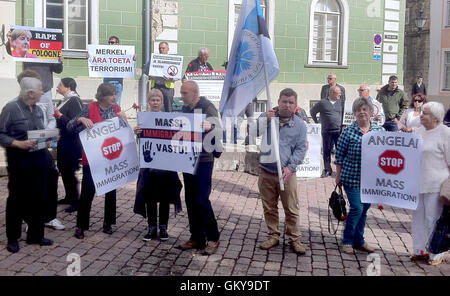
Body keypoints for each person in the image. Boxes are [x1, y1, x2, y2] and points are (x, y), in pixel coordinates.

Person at [0, 77, 54, 253]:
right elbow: (1, 134)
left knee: (38, 196)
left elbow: (39, 131)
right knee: (17, 198)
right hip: (19, 160)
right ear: (30, 93)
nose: (42, 92)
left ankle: (36, 235)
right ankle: (13, 238)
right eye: (40, 89)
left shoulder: (38, 109)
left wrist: (48, 139)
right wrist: (17, 143)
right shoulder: (11, 108)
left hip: (39, 158)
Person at [67, 83, 127, 239]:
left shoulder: (116, 109)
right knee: (88, 191)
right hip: (92, 158)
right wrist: (81, 119)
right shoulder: (90, 107)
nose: (114, 97)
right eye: (111, 94)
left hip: (110, 156)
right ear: (102, 96)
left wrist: (124, 120)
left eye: (115, 94)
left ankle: (108, 223)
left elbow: (124, 132)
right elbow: (69, 126)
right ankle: (81, 225)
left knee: (111, 190)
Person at [257, 88, 307, 254]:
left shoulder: (299, 125)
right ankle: (273, 235)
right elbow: (252, 132)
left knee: (291, 208)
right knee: (269, 207)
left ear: (295, 105)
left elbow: (300, 149)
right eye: (284, 101)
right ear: (278, 102)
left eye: (290, 102)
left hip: (287, 174)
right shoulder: (267, 117)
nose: (287, 105)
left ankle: (295, 239)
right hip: (266, 171)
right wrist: (265, 119)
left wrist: (290, 167)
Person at [176, 81, 222, 255]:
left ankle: (213, 238)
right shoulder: (185, 109)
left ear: (195, 93)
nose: (182, 96)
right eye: (182, 92)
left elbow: (219, 128)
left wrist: (211, 127)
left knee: (202, 200)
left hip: (204, 159)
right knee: (190, 200)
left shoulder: (207, 107)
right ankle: (196, 237)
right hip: (188, 159)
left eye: (184, 93)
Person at [335, 97, 384, 255]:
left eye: (365, 109)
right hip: (351, 176)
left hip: (371, 180)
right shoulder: (348, 132)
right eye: (358, 110)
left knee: (365, 209)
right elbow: (339, 156)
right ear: (355, 113)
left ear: (370, 112)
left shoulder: (379, 132)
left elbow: (386, 154)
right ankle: (347, 240)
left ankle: (359, 240)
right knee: (357, 207)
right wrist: (338, 176)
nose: (362, 112)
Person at [133, 89, 183, 241]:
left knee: (165, 198)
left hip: (166, 164)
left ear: (162, 102)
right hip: (149, 166)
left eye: (158, 100)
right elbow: (140, 142)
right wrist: (137, 132)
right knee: (150, 197)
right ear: (148, 102)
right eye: (152, 99)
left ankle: (163, 227)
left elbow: (175, 138)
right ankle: (151, 227)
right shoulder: (143, 118)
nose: (155, 102)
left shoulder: (168, 118)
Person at [411, 102, 450, 266]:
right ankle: (420, 250)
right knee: (417, 219)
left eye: (425, 113)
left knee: (432, 219)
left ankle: (436, 253)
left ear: (435, 117)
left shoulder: (446, 133)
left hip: (436, 184)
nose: (421, 115)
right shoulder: (419, 131)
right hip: (417, 183)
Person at [54, 78, 84, 213]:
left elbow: (76, 122)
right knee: (63, 168)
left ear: (68, 87)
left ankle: (76, 200)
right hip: (63, 140)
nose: (58, 87)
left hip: (72, 142)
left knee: (70, 170)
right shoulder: (64, 100)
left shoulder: (74, 101)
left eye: (60, 85)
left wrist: (59, 115)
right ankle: (69, 196)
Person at [310, 86, 344, 178]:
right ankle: (327, 169)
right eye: (338, 93)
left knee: (340, 151)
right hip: (326, 130)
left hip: (339, 131)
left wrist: (344, 125)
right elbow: (312, 112)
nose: (340, 94)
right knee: (326, 150)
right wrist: (317, 122)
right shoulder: (322, 102)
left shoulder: (341, 102)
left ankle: (341, 170)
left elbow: (346, 114)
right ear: (332, 93)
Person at [101, 36, 137, 107]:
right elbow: (96, 61)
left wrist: (133, 59)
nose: (110, 44)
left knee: (116, 104)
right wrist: (90, 56)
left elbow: (129, 65)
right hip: (107, 83)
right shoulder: (104, 53)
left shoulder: (123, 53)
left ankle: (115, 117)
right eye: (109, 42)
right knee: (106, 103)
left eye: (112, 42)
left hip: (118, 84)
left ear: (118, 44)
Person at [149, 42, 176, 112]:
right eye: (160, 48)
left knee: (168, 108)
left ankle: (169, 121)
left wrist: (172, 78)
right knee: (154, 107)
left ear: (168, 49)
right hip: (156, 86)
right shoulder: (154, 59)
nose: (161, 50)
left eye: (163, 48)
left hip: (168, 87)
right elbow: (146, 70)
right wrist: (151, 74)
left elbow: (178, 74)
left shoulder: (173, 60)